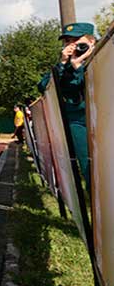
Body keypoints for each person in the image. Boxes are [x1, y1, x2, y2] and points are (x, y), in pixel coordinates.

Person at [38, 22, 97, 180]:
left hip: (103, 118)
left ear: (91, 41)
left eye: (76, 40)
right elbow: (44, 86)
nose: (71, 45)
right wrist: (64, 64)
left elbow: (90, 87)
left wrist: (79, 67)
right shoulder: (64, 68)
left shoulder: (101, 59)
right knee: (89, 169)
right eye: (67, 41)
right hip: (78, 123)